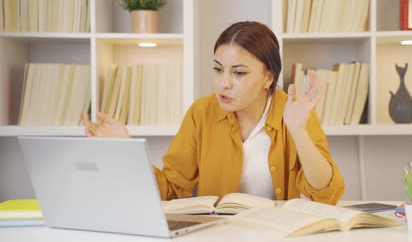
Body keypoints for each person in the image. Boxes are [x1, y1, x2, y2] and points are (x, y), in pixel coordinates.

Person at [81, 21, 345, 204]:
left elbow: (326, 195)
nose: (224, 83)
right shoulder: (201, 112)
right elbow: (171, 189)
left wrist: (298, 131)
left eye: (238, 73)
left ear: (268, 78)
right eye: (218, 69)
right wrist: (125, 148)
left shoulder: (294, 111)